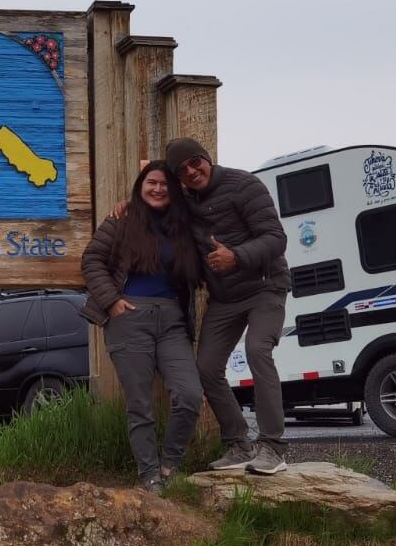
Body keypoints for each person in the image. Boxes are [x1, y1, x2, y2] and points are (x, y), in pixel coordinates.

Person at [163, 137, 291, 474]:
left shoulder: (244, 184)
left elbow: (276, 239)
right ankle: (240, 444)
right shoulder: (185, 200)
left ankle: (273, 447)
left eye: (195, 162)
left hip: (265, 286)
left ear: (206, 158)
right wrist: (125, 204)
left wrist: (237, 257)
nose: (192, 172)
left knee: (258, 351)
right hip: (225, 298)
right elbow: (152, 197)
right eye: (182, 170)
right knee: (205, 367)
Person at [80, 161, 204, 494]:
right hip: (129, 318)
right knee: (140, 404)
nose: (158, 189)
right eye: (151, 182)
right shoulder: (121, 219)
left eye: (165, 184)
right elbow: (91, 259)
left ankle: (169, 465)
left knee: (190, 394)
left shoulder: (183, 225)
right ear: (140, 185)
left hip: (173, 321)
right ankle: (149, 476)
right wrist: (111, 302)